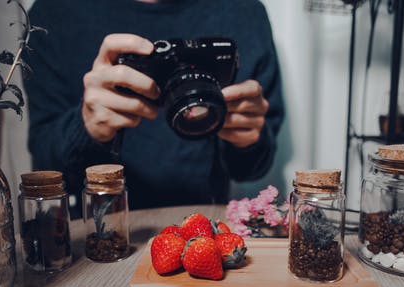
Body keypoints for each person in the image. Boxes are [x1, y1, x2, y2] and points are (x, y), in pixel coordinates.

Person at [23, 0, 284, 216]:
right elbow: (44, 169)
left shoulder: (243, 12)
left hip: (203, 226)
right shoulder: (53, 15)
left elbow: (252, 168)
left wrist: (248, 141)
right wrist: (86, 128)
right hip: (99, 233)